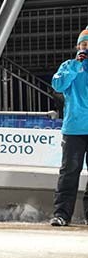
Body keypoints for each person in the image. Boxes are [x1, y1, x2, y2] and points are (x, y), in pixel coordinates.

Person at [50, 26, 88, 226]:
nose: (86, 48)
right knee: (69, 172)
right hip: (74, 129)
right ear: (77, 46)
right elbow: (58, 85)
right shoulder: (68, 65)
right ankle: (62, 214)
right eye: (83, 44)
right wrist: (75, 66)